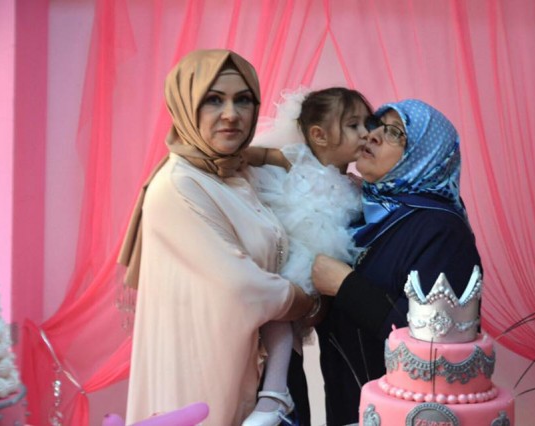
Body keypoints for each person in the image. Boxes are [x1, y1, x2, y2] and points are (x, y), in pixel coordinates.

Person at [117, 49, 316, 426]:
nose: (231, 114)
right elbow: (243, 287)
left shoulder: (236, 173)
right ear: (184, 106)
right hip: (202, 374)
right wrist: (308, 301)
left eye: (243, 100)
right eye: (213, 100)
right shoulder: (178, 186)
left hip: (256, 369)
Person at [310, 99, 482, 425]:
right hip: (349, 406)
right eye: (376, 125)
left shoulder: (442, 231)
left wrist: (345, 285)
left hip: (405, 415)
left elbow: (439, 343)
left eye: (395, 133)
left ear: (424, 155)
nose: (372, 135)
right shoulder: (368, 216)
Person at [241, 87, 372, 426]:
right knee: (279, 316)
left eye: (366, 124)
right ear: (319, 135)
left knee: (293, 326)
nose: (365, 134)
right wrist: (232, 158)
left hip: (322, 264)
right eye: (353, 125)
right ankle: (275, 392)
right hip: (293, 254)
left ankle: (280, 393)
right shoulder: (297, 158)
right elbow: (257, 155)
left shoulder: (357, 186)